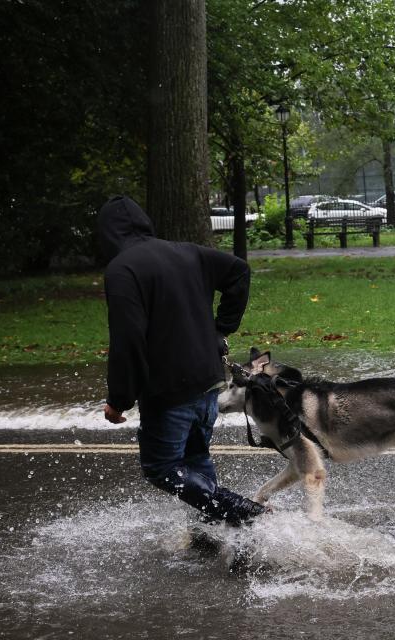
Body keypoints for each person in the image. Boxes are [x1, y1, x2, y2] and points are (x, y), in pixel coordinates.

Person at [97, 195, 266, 527]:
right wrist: (221, 329)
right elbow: (239, 272)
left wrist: (119, 400)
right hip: (208, 381)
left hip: (168, 390)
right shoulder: (188, 252)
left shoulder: (122, 269)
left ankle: (244, 513)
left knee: (162, 468)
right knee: (194, 461)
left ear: (106, 234)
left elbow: (127, 339)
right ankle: (211, 535)